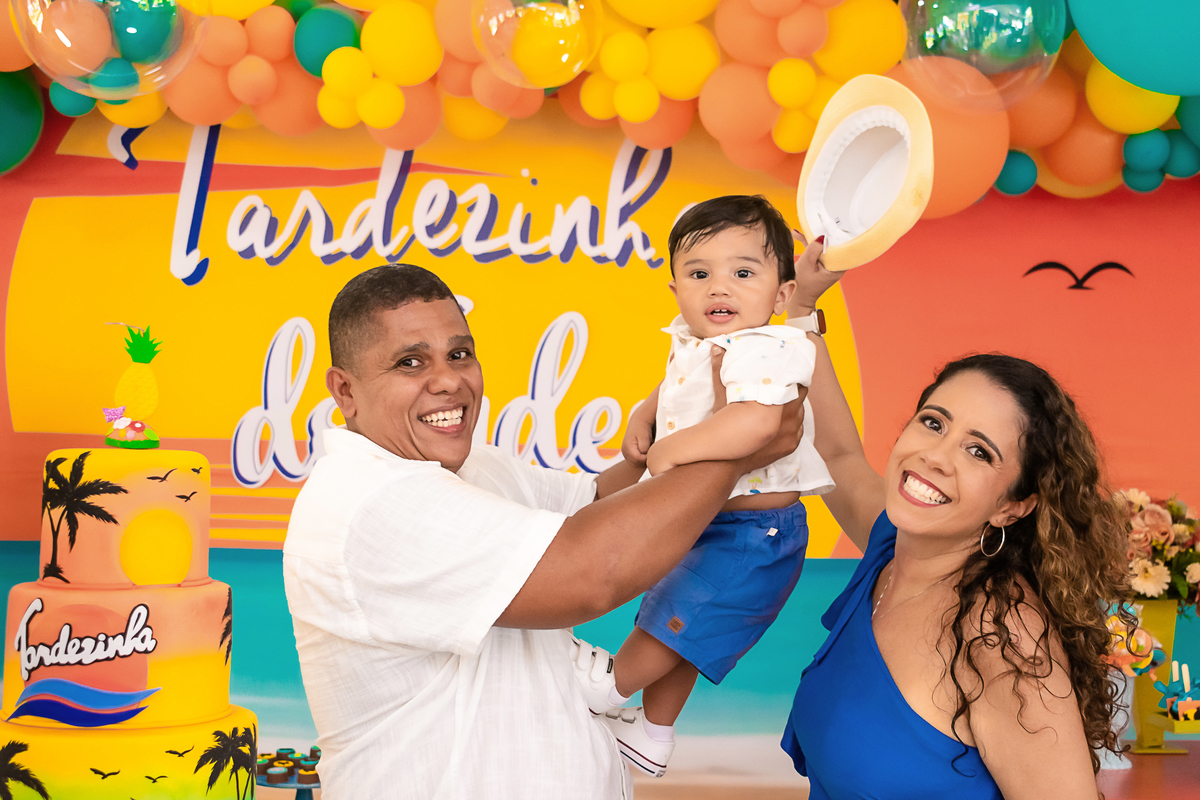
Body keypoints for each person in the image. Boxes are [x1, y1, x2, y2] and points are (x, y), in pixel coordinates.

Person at [280, 264, 802, 800]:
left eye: (460, 354)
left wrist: (678, 416)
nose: (448, 380)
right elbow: (590, 572)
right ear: (345, 390)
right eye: (410, 362)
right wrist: (741, 443)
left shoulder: (472, 467)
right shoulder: (370, 502)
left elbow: (604, 508)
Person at [779, 238, 1133, 799]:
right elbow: (839, 453)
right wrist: (800, 310)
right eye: (934, 422)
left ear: (1013, 504)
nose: (935, 456)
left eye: (979, 452)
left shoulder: (1002, 638)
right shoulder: (891, 547)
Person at [572, 196, 834, 778]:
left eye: (743, 273)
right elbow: (684, 389)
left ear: (783, 294)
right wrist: (648, 410)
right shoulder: (703, 343)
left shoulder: (769, 346)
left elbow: (757, 422)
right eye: (699, 274)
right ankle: (653, 733)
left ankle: (609, 687)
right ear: (675, 290)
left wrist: (670, 452)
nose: (721, 288)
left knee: (676, 621)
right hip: (717, 519)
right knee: (687, 626)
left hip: (750, 533)